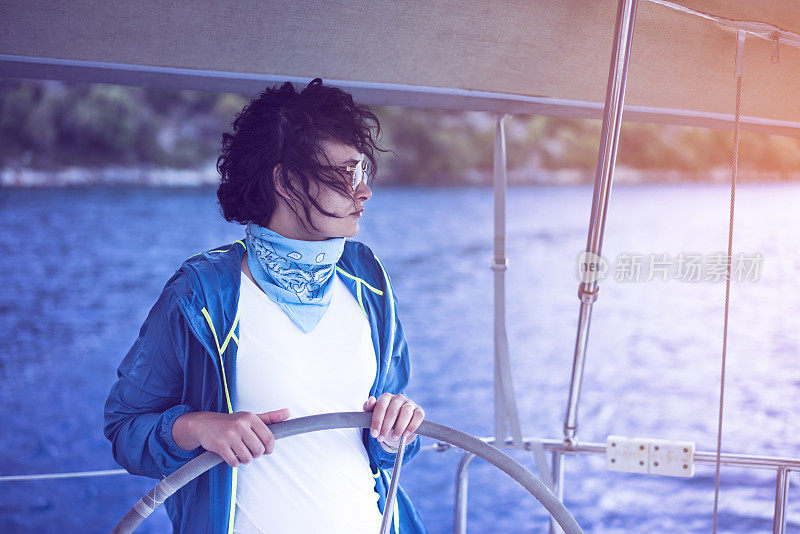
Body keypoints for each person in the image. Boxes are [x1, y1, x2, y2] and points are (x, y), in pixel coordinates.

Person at [104, 78, 428, 534]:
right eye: (344, 175)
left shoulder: (370, 281)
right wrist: (201, 427)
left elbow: (389, 450)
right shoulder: (202, 293)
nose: (364, 192)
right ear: (285, 180)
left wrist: (396, 431)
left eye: (364, 173)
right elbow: (126, 428)